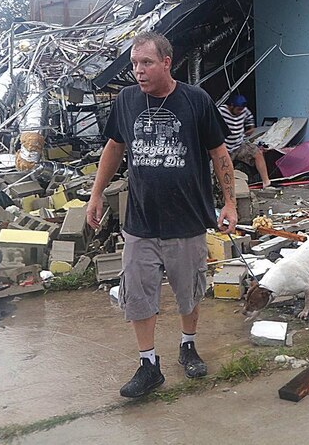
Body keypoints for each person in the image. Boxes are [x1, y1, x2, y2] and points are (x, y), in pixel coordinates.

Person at [86, 31, 237, 399]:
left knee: (188, 292)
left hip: (186, 219)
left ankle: (188, 345)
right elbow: (114, 148)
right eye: (135, 63)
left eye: (147, 63)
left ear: (166, 62)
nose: (138, 71)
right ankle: (148, 364)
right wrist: (96, 193)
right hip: (140, 220)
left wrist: (229, 203)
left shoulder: (196, 101)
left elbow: (220, 155)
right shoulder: (125, 101)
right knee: (137, 293)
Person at [218, 93, 271, 188]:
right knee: (223, 170)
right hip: (225, 147)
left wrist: (251, 128)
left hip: (239, 145)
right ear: (231, 106)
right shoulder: (221, 111)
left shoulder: (244, 111)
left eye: (241, 110)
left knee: (257, 153)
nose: (240, 112)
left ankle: (266, 182)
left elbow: (249, 118)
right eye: (238, 109)